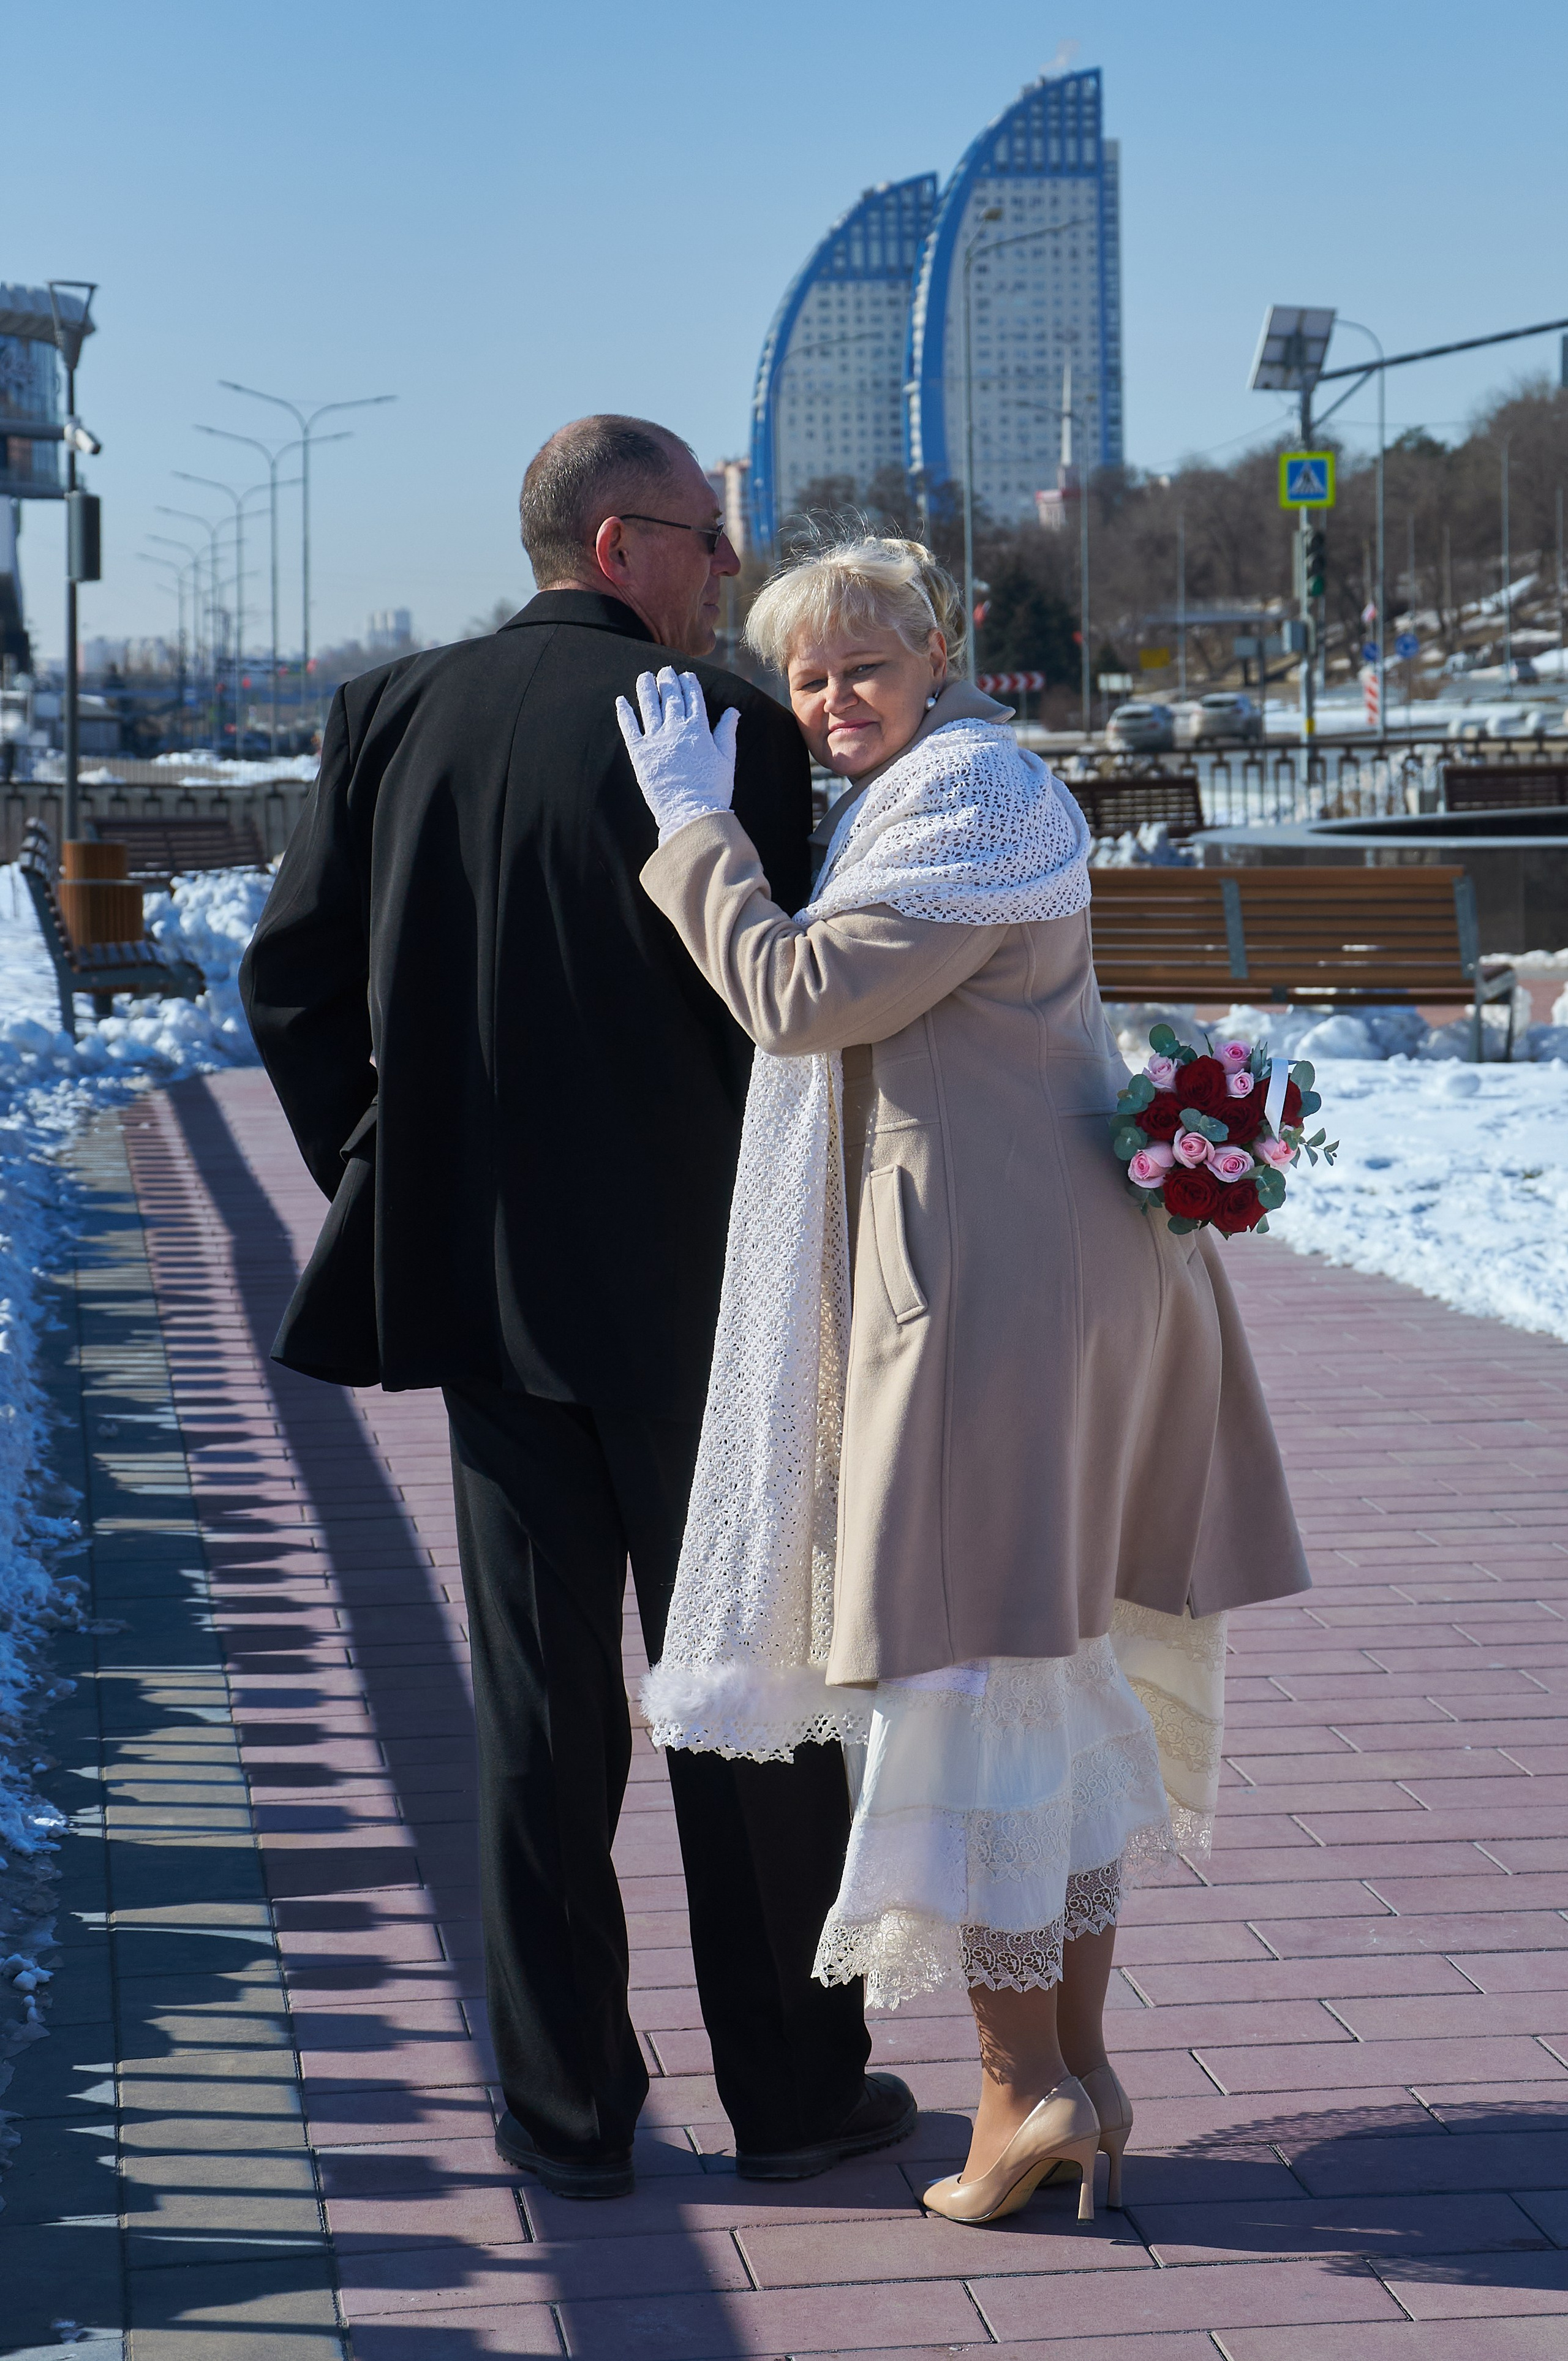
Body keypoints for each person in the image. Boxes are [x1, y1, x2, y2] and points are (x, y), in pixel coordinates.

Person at [240, 420, 914, 2200]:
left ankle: (562, 2113)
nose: (728, 571)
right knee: (750, 1704)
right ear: (622, 544)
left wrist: (387, 1180)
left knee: (543, 1718)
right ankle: (791, 2093)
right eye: (708, 538)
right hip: (714, 1306)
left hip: (490, 1302)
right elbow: (786, 1022)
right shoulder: (731, 740)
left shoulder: (386, 716)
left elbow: (292, 981)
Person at [614, 534, 1310, 2226]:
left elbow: (793, 996)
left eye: (862, 665)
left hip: (988, 1301)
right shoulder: (950, 792)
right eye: (803, 677)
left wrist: (693, 827)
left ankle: (1020, 2092)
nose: (830, 701)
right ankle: (1075, 2070)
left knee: (969, 1672)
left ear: (936, 653)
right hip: (1026, 1274)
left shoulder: (970, 799)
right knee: (1043, 1676)